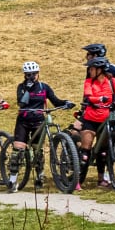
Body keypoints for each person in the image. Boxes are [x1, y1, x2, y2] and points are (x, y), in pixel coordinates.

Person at [6, 61, 73, 193]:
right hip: (23, 121)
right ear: (25, 75)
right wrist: (29, 88)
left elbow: (55, 101)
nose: (32, 76)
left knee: (38, 151)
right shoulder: (21, 87)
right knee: (17, 151)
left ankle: (39, 176)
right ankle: (13, 180)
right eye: (29, 74)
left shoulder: (44, 87)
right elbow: (21, 102)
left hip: (38, 121)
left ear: (38, 74)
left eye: (34, 74)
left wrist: (66, 103)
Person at [79, 56, 115, 188]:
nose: (89, 71)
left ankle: (101, 179)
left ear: (100, 70)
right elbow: (89, 97)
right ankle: (78, 181)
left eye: (92, 69)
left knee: (103, 152)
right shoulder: (89, 82)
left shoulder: (113, 82)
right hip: (90, 118)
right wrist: (100, 99)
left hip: (105, 120)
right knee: (85, 153)